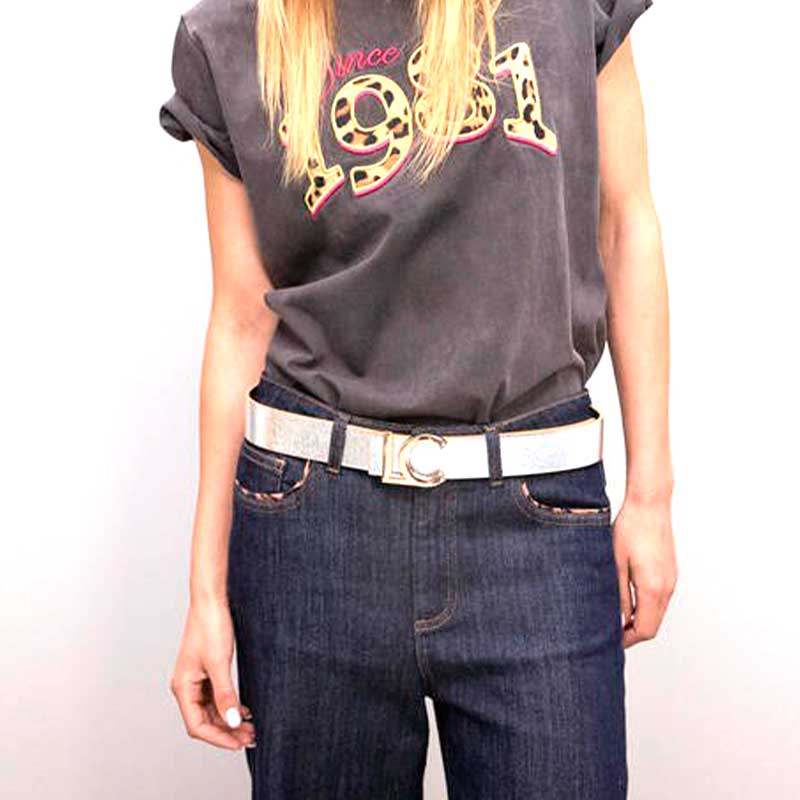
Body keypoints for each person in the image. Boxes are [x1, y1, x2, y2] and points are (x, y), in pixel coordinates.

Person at [159, 0, 677, 796]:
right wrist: (205, 591)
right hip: (313, 532)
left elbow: (627, 225)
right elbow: (240, 318)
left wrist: (651, 495)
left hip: (536, 520)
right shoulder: (230, 33)